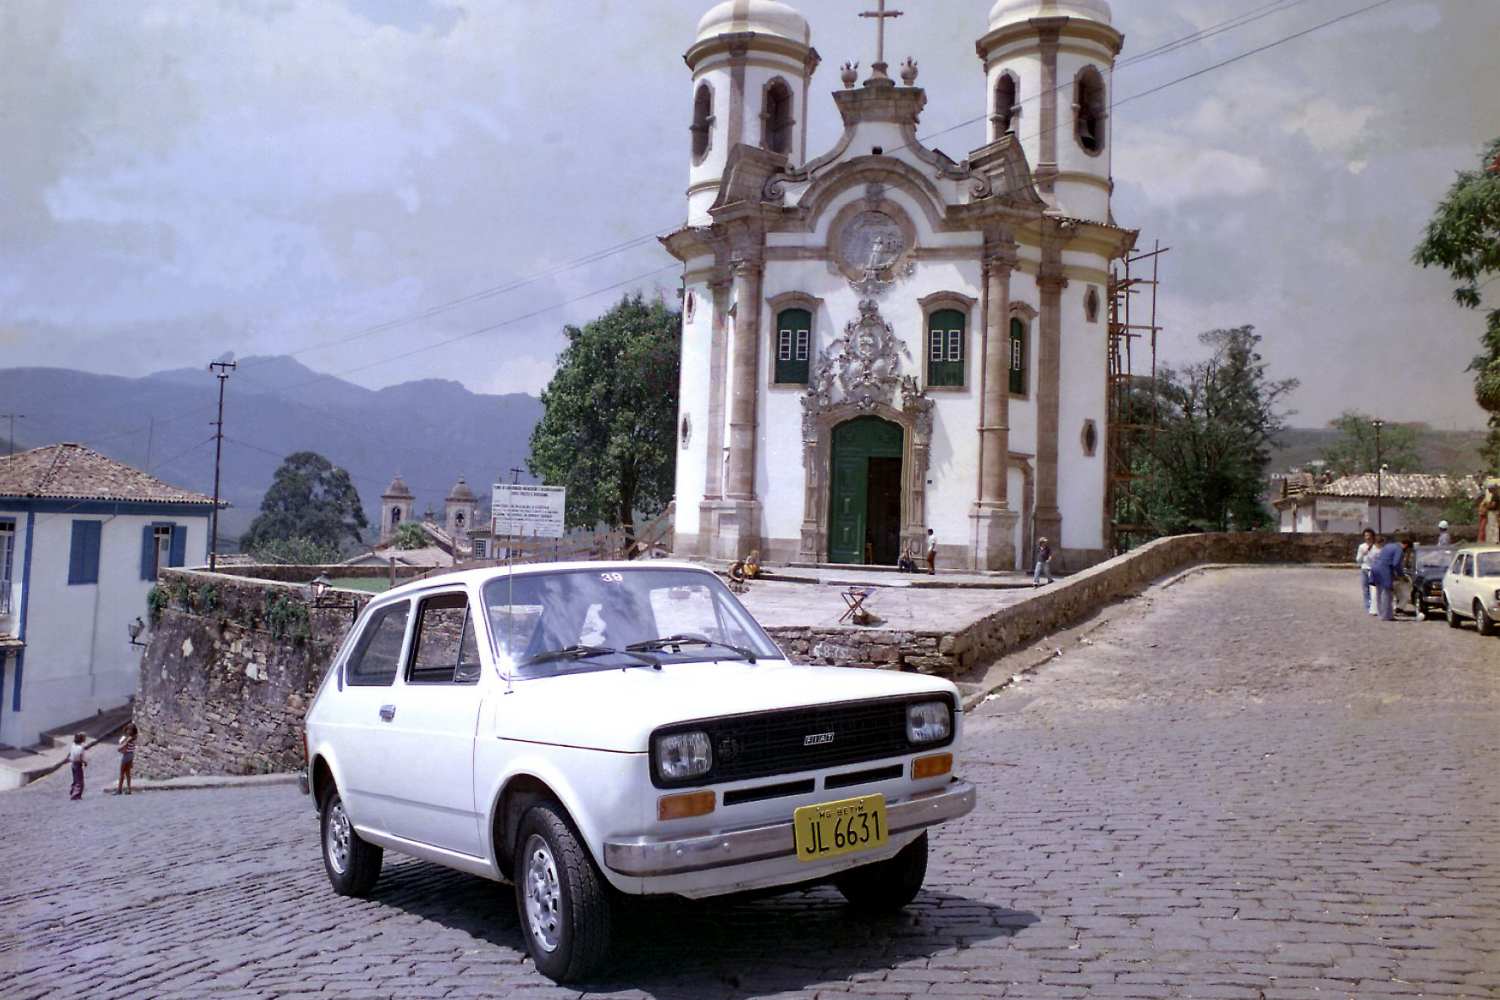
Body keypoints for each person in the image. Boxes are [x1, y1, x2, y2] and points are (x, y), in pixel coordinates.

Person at [1370, 533, 1405, 621]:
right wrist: (1401, 575)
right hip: (1384, 570)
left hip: (1375, 568)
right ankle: (1386, 616)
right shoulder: (1399, 549)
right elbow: (1396, 563)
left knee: (1379, 592)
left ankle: (1381, 613)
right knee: (1387, 593)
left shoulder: (1387, 546)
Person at [1356, 528, 1378, 615]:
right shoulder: (1362, 547)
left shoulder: (1376, 546)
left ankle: (1374, 607)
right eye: (1366, 536)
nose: (1367, 537)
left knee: (1374, 589)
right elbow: (1358, 560)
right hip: (1364, 569)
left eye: (1369, 535)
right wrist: (1363, 554)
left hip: (1373, 569)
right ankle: (1368, 606)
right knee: (1365, 589)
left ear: (1373, 536)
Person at [116, 723, 137, 796]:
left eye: (129, 729)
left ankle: (119, 789)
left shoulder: (130, 738)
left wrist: (119, 748)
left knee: (122, 773)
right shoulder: (134, 737)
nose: (128, 731)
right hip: (131, 755)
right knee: (127, 773)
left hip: (126, 756)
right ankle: (129, 789)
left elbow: (125, 744)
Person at [68, 734, 87, 800]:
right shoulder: (81, 748)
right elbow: (80, 757)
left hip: (72, 764)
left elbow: (70, 753)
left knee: (75, 779)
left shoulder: (73, 745)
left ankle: (72, 791)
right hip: (78, 764)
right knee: (80, 781)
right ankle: (76, 795)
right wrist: (85, 762)